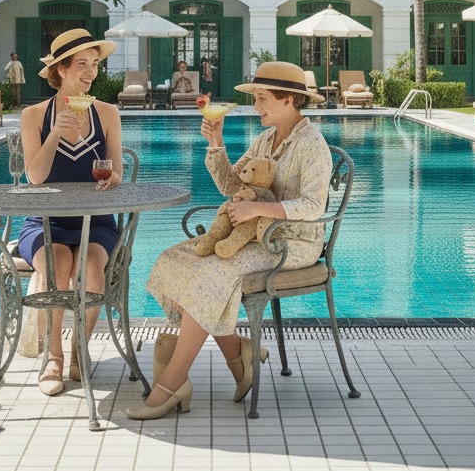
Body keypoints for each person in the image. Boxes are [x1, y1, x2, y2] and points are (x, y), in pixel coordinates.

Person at [134, 61, 330, 420]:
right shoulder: (265, 139)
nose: (256, 106)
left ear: (289, 99)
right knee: (176, 258)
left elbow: (315, 205)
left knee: (212, 276)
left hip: (291, 244)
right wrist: (216, 143)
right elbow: (231, 185)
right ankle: (239, 357)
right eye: (256, 97)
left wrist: (259, 208)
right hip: (252, 240)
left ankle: (173, 383)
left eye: (262, 98)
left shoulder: (312, 145)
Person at [18, 28, 123, 397]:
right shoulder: (34, 116)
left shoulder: (108, 113)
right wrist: (54, 135)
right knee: (59, 264)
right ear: (60, 69)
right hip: (45, 222)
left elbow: (117, 171)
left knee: (91, 266)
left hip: (96, 222)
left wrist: (111, 179)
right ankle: (54, 357)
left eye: (94, 64)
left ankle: (80, 346)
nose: (90, 72)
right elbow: (35, 177)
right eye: (82, 64)